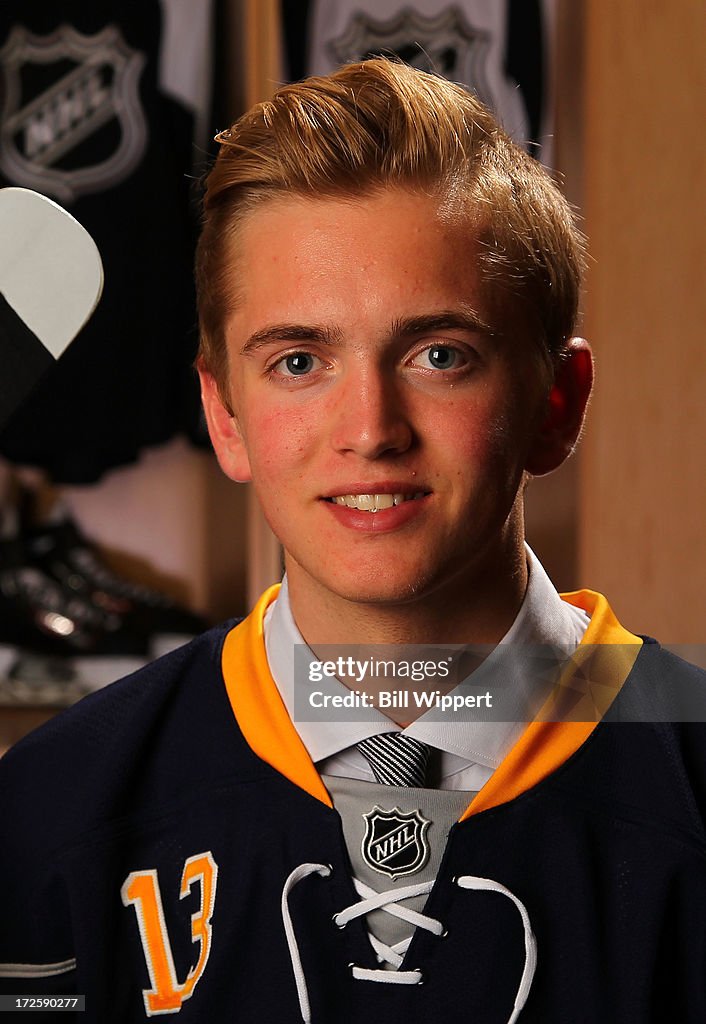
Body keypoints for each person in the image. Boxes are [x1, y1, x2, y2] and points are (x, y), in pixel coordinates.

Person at [1, 58, 705, 1023]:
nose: (370, 428)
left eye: (439, 355)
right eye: (298, 361)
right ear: (225, 415)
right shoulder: (47, 813)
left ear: (557, 403)